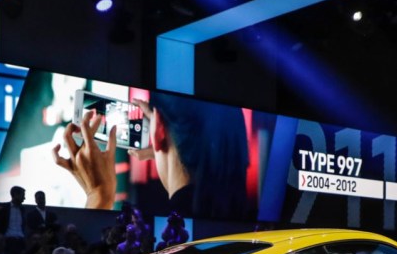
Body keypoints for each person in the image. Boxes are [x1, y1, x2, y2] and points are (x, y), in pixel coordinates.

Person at [52, 92, 250, 219]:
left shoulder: (166, 230)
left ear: (159, 130)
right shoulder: (244, 218)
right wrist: (166, 145)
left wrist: (98, 196)